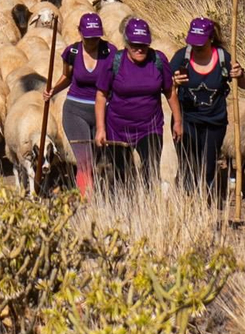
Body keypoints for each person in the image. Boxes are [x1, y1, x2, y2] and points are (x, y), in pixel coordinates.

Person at [170, 16, 245, 198]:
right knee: (188, 164)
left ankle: (206, 200)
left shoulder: (223, 58)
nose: (196, 47)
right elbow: (165, 87)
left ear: (211, 38)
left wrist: (240, 74)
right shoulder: (182, 57)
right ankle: (188, 201)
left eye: (200, 42)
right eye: (193, 42)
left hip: (214, 122)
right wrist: (174, 82)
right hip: (187, 120)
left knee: (208, 165)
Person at [94, 17, 173, 187]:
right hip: (117, 128)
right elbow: (101, 95)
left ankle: (149, 201)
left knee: (150, 170)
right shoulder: (114, 61)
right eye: (134, 45)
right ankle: (122, 201)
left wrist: (178, 121)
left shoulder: (158, 60)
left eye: (143, 44)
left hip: (150, 127)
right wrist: (101, 128)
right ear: (126, 43)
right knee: (119, 173)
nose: (139, 49)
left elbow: (169, 91)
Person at [42, 12, 109, 197]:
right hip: (76, 111)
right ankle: (88, 200)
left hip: (103, 112)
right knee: (85, 160)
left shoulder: (110, 52)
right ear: (80, 32)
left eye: (96, 37)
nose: (92, 41)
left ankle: (100, 195)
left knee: (100, 159)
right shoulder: (72, 53)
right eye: (88, 37)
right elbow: (67, 76)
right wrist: (53, 90)